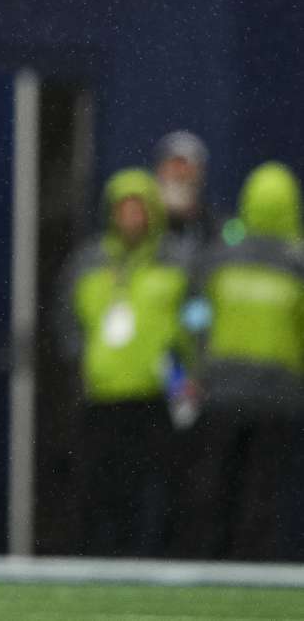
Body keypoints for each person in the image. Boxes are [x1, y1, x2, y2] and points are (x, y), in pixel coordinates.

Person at [169, 162, 304, 560]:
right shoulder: (296, 265)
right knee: (261, 495)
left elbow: (193, 318)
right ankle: (250, 570)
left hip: (221, 393)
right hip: (278, 399)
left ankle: (208, 570)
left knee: (212, 489)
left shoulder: (218, 257)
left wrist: (192, 372)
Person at [57, 168, 193, 557]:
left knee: (154, 491)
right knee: (100, 489)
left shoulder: (176, 263)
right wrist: (82, 358)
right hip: (102, 398)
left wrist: (187, 372)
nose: (132, 218)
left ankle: (150, 560)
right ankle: (97, 561)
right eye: (124, 209)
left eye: (139, 209)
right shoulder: (89, 263)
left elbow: (193, 321)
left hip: (154, 398)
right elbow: (65, 316)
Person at [154, 130, 217, 257]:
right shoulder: (141, 223)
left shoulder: (213, 228)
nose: (180, 174)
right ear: (159, 171)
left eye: (188, 167)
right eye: (174, 165)